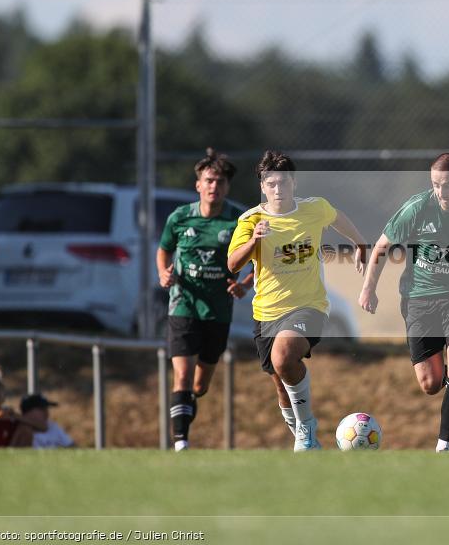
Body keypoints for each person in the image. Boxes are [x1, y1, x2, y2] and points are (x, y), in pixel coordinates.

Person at [359, 152, 449, 452]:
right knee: (430, 383)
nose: (441, 192)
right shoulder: (417, 208)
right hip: (419, 300)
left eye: (448, 185)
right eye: (436, 185)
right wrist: (368, 289)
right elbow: (383, 246)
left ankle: (443, 447)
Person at [228, 150, 367, 451]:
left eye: (283, 182)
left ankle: (306, 428)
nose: (278, 189)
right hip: (266, 313)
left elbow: (337, 218)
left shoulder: (314, 208)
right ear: (263, 187)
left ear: (294, 183)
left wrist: (359, 243)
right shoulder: (251, 220)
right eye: (271, 184)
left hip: (309, 306)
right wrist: (254, 241)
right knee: (281, 381)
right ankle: (306, 441)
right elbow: (233, 263)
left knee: (284, 357)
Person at [157, 148, 254, 451]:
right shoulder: (180, 217)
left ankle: (187, 404)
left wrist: (244, 285)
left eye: (220, 182)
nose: (214, 186)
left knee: (199, 386)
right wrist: (163, 273)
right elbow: (164, 250)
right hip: (183, 304)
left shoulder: (237, 220)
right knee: (182, 376)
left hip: (217, 310)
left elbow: (260, 260)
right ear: (198, 184)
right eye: (209, 181)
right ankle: (181, 443)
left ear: (228, 187)